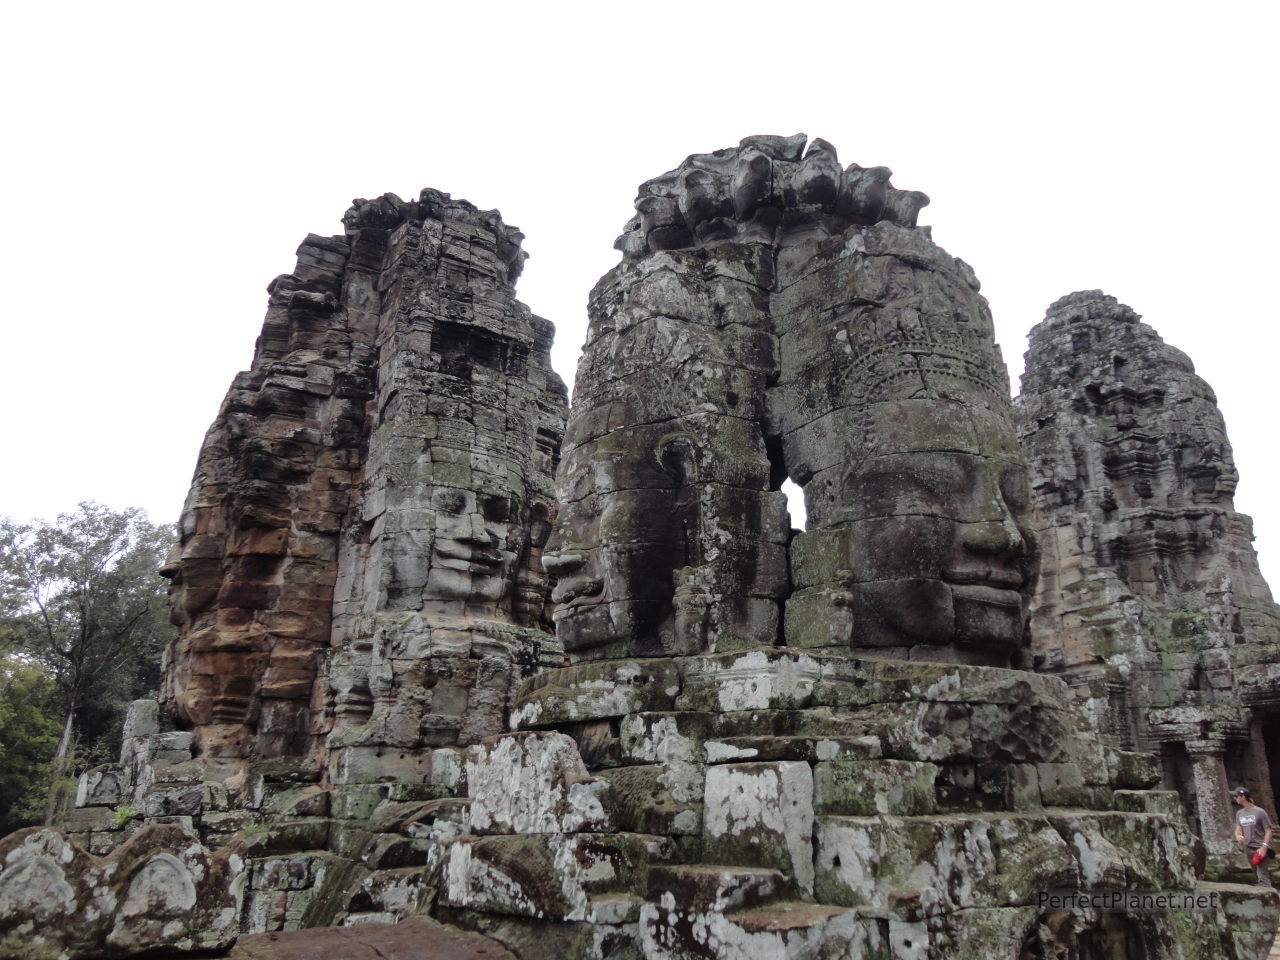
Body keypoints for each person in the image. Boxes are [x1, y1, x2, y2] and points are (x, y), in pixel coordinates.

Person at [1232, 786, 1274, 886]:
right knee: (1256, 874)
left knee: (1263, 877)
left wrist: (1264, 847)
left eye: (1236, 796)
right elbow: (1238, 829)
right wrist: (1238, 836)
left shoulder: (1260, 812)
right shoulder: (1239, 813)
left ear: (1243, 797)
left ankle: (1269, 896)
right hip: (1248, 847)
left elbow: (1268, 830)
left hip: (1260, 847)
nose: (1234, 798)